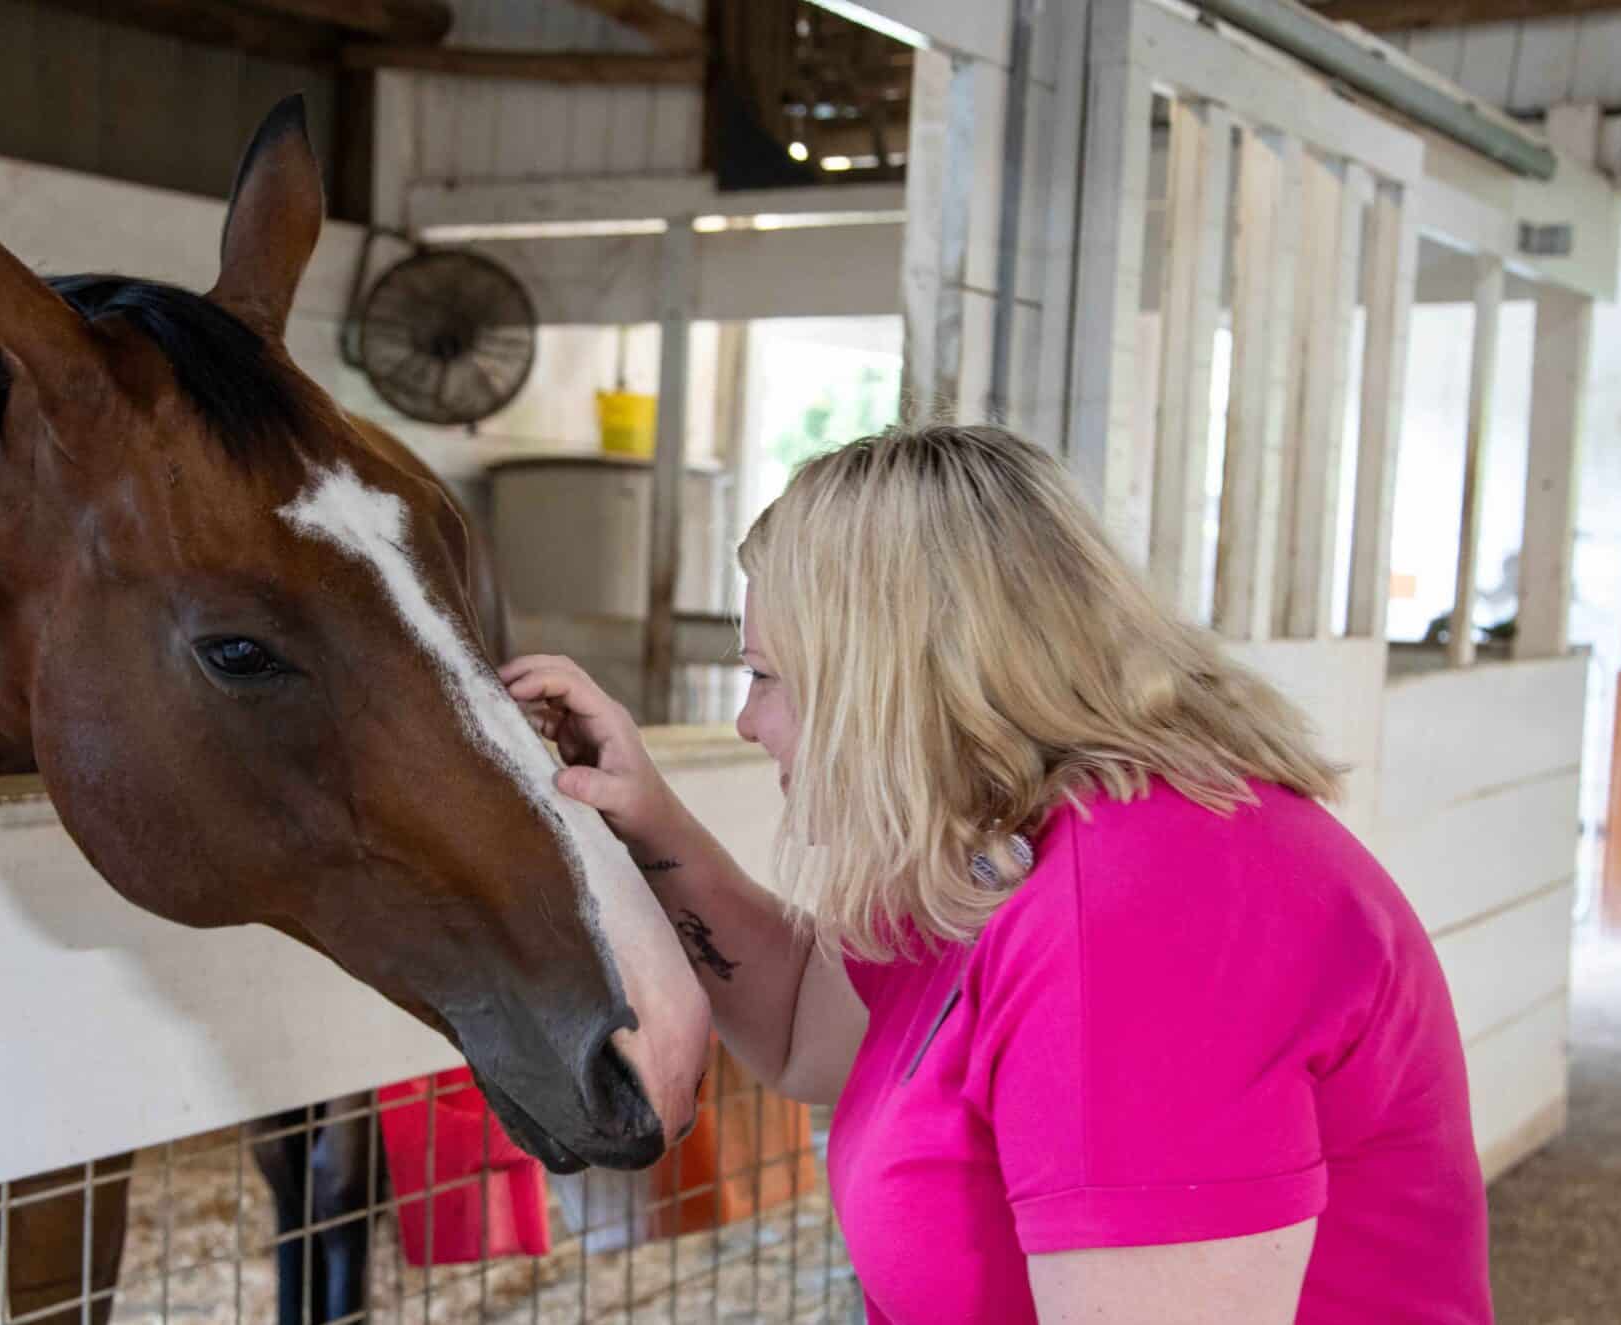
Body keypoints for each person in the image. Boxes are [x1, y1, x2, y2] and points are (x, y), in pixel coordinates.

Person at [503, 425, 1489, 1324]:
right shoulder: (1016, 842)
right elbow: (812, 1030)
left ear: (885, 676)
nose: (747, 722)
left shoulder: (1138, 910)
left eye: (767, 676)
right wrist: (646, 818)